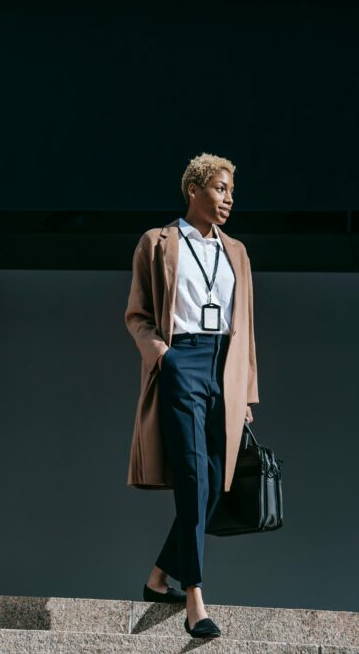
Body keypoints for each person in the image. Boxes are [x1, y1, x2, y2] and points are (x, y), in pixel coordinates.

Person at [124, 152, 260, 640]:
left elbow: (245, 327)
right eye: (221, 188)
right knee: (190, 473)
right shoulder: (156, 243)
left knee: (212, 481)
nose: (228, 199)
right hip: (181, 360)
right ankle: (194, 597)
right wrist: (164, 357)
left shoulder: (237, 251)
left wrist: (245, 391)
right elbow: (137, 314)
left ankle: (158, 575)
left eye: (230, 191)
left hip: (224, 367)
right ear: (195, 189)